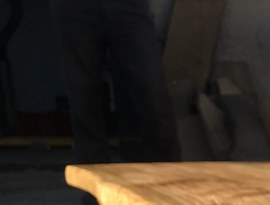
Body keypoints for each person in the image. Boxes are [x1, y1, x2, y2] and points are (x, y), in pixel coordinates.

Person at [51, 0, 180, 164]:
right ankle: (94, 182)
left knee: (151, 91)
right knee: (83, 98)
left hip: (128, 5)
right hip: (73, 7)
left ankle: (168, 177)